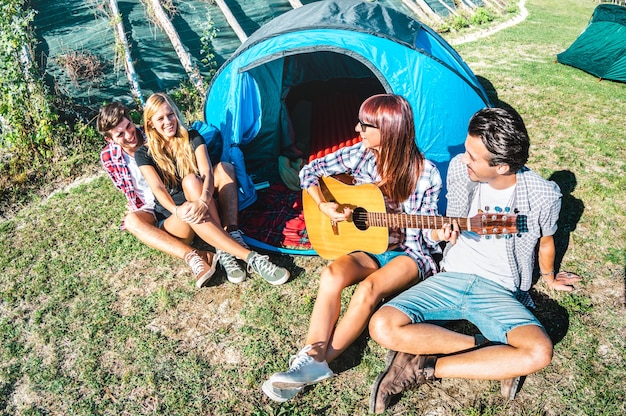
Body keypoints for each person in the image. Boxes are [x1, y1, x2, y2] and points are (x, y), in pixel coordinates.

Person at [367, 107, 582, 414]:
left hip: (500, 288)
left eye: (473, 157)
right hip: (451, 276)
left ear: (503, 166)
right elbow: (453, 219)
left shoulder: (543, 195)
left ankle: (428, 367)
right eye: (467, 150)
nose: (463, 158)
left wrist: (549, 276)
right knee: (383, 326)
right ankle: (490, 352)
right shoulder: (459, 169)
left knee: (538, 352)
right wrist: (444, 235)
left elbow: (546, 240)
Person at [261, 94, 443, 402]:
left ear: (389, 130)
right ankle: (310, 358)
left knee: (367, 290)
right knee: (332, 275)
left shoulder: (426, 173)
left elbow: (424, 236)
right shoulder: (361, 154)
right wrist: (326, 205)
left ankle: (315, 364)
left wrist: (441, 234)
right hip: (370, 245)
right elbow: (309, 171)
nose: (357, 128)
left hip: (409, 251)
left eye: (365, 125)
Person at [134, 92, 290, 286]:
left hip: (201, 199)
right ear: (150, 124)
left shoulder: (191, 136)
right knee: (191, 181)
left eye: (171, 114)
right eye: (161, 118)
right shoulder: (144, 153)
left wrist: (203, 200)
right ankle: (251, 258)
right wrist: (177, 210)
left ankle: (230, 237)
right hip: (177, 215)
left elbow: (206, 170)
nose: (168, 121)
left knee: (224, 168)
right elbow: (157, 188)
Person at [99, 102, 218, 288]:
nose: (129, 135)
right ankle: (195, 256)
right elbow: (125, 187)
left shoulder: (155, 134)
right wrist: (134, 206)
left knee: (179, 213)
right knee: (131, 221)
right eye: (120, 134)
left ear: (132, 120)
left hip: (176, 199)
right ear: (110, 139)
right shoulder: (108, 157)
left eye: (129, 126)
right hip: (150, 208)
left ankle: (198, 251)